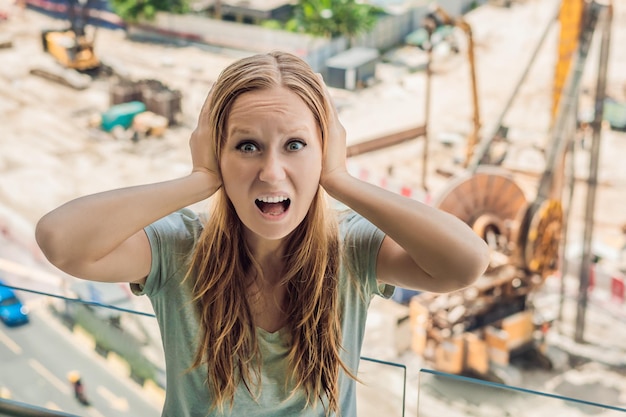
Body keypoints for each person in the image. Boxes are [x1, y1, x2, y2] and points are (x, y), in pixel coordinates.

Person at [35, 51, 490, 417]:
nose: (272, 173)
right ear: (218, 153)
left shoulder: (350, 249)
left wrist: (340, 178)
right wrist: (198, 178)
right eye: (246, 146)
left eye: (295, 145)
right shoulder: (179, 249)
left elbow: (466, 262)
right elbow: (60, 239)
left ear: (324, 151)